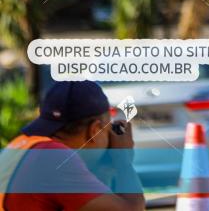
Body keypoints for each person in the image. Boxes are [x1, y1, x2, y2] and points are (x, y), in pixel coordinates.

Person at [0, 80, 145, 210]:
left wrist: (108, 168)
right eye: (108, 130)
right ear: (95, 130)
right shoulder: (56, 159)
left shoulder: (24, 145)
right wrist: (123, 160)